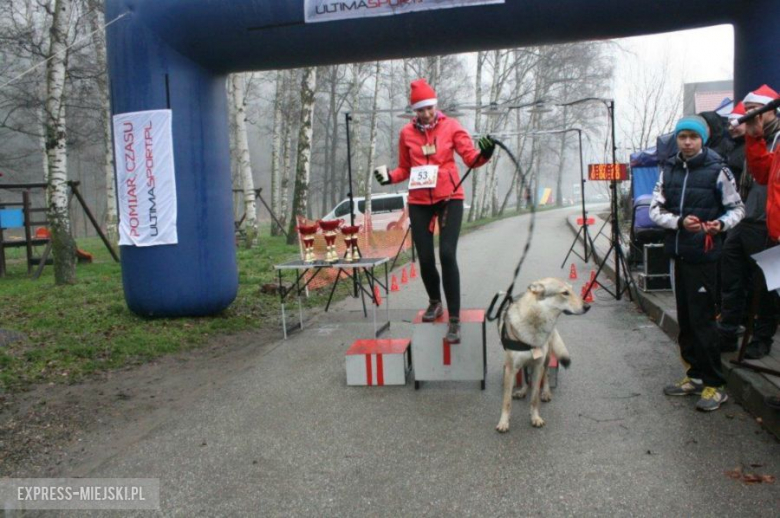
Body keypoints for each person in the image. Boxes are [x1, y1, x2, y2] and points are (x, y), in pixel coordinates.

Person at [373, 79, 495, 343]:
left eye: (429, 107)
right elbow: (404, 169)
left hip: (449, 197)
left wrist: (485, 154)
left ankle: (454, 320)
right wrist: (389, 177)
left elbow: (471, 158)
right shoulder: (406, 133)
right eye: (419, 110)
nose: (425, 114)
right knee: (425, 257)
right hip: (419, 201)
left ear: (435, 105)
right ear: (414, 110)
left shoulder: (451, 126)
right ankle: (434, 302)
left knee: (448, 254)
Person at [650, 115, 745, 412]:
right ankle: (694, 376)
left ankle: (715, 385)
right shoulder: (669, 169)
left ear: (702, 138)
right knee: (687, 322)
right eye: (682, 137)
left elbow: (737, 208)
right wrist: (679, 222)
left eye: (693, 136)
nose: (687, 142)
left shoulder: (719, 170)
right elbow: (655, 209)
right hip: (678, 254)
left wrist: (719, 225)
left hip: (705, 257)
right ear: (677, 140)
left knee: (704, 323)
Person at [718, 94, 778, 359]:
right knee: (732, 277)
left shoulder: (776, 137)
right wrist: (753, 137)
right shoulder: (750, 141)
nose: (751, 114)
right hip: (746, 218)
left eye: (757, 109)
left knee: (765, 285)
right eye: (748, 110)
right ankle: (728, 331)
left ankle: (762, 338)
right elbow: (762, 173)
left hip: (767, 224)